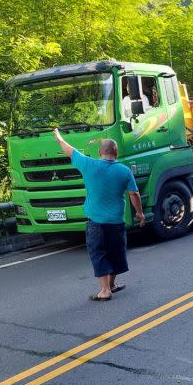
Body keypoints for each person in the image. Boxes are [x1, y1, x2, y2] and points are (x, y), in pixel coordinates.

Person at [53, 128, 146, 301]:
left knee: (99, 254)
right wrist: (140, 213)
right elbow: (134, 194)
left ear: (99, 152)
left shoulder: (89, 164)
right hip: (116, 222)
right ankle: (110, 285)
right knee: (115, 253)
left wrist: (59, 137)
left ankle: (105, 290)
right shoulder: (124, 171)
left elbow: (69, 150)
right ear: (116, 152)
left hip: (95, 222)